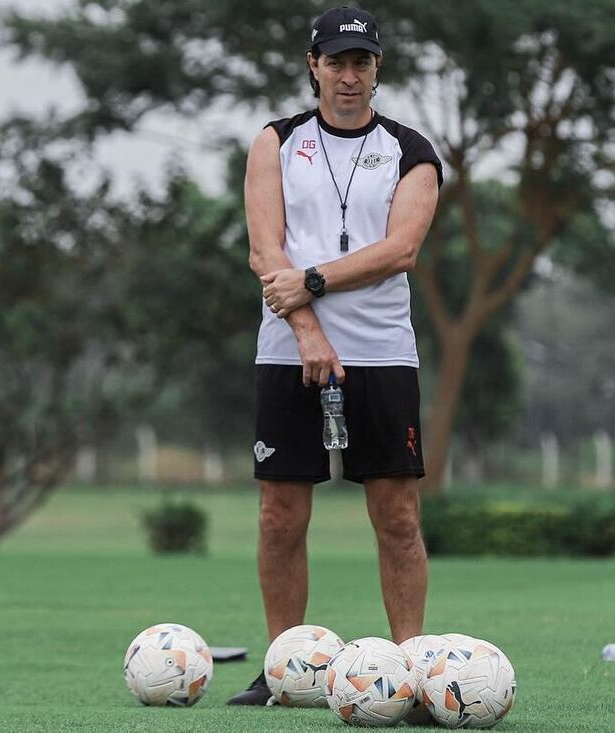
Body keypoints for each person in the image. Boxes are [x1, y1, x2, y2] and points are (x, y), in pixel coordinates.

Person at [227, 4, 442, 705]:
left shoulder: (412, 151)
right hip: (288, 348)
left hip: (382, 350)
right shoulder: (276, 142)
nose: (349, 76)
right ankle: (285, 670)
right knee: (279, 515)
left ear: (378, 69)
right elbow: (266, 248)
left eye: (362, 62)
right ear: (313, 65)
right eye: (336, 61)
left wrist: (313, 279)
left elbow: (400, 250)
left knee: (398, 515)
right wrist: (308, 329)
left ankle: (411, 671)